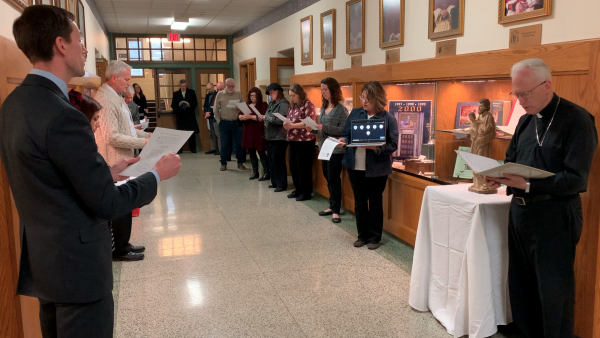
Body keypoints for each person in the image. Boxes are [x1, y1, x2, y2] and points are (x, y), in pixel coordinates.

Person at [1, 5, 182, 337]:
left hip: (46, 262)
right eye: (79, 39)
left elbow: (51, 177)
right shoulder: (63, 115)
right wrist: (156, 173)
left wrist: (109, 171)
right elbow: (107, 204)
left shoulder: (14, 104)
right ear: (60, 45)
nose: (85, 49)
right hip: (78, 269)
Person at [485, 58, 597, 337]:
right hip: (520, 214)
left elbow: (576, 178)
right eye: (516, 94)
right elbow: (511, 159)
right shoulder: (524, 121)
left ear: (547, 85)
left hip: (555, 215)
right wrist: (498, 174)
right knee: (521, 285)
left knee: (553, 291)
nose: (520, 101)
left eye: (524, 93)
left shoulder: (577, 119)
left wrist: (529, 184)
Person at [95, 60, 151, 262]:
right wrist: (144, 142)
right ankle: (119, 248)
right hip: (114, 160)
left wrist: (146, 135)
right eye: (126, 79)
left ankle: (124, 244)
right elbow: (112, 136)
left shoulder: (116, 97)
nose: (129, 83)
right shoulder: (105, 99)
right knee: (120, 204)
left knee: (126, 204)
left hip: (123, 159)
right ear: (113, 78)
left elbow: (127, 128)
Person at [338, 81, 398, 250]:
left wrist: (376, 148)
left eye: (368, 99)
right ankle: (361, 236)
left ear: (377, 99)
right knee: (359, 202)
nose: (364, 102)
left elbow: (393, 145)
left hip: (377, 170)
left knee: (375, 203)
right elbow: (346, 134)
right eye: (362, 97)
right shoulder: (355, 113)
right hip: (354, 166)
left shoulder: (388, 118)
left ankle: (374, 238)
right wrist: (343, 140)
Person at [307, 77, 348, 223]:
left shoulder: (341, 109)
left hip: (336, 150)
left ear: (333, 90)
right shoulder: (324, 107)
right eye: (321, 89)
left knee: (334, 179)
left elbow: (344, 130)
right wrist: (312, 129)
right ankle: (332, 205)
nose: (323, 92)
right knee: (328, 177)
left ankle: (336, 210)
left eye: (325, 89)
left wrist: (325, 128)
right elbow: (320, 128)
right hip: (324, 148)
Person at [284, 84, 316, 201]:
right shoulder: (292, 106)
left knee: (304, 168)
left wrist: (292, 125)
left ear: (300, 94)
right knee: (293, 167)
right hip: (292, 139)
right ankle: (297, 189)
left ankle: (305, 192)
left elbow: (309, 122)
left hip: (304, 141)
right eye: (290, 96)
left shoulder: (308, 105)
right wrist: (286, 123)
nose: (291, 98)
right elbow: (289, 118)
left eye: (293, 96)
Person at [214, 78, 246, 171]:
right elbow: (215, 109)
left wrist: (239, 107)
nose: (231, 88)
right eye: (230, 86)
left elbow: (244, 107)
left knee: (239, 144)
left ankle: (240, 163)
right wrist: (219, 121)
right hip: (224, 122)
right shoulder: (220, 95)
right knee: (224, 144)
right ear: (225, 85)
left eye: (233, 86)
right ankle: (223, 163)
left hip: (236, 122)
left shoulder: (238, 94)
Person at [264, 83, 290, 192]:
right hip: (270, 136)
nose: (270, 95)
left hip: (279, 137)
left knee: (278, 160)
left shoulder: (284, 104)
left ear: (277, 91)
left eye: (271, 93)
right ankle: (274, 182)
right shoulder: (272, 103)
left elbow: (282, 120)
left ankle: (281, 183)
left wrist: (268, 118)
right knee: (272, 160)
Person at [238, 87, 269, 180]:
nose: (253, 97)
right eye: (251, 96)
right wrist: (241, 117)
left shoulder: (263, 105)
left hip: (258, 132)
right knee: (251, 152)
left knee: (261, 152)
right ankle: (255, 171)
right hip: (248, 132)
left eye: (255, 96)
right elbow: (239, 114)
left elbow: (263, 118)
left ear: (258, 96)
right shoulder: (246, 105)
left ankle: (267, 172)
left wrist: (251, 117)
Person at [171, 79, 199, 153]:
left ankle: (193, 148)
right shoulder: (176, 94)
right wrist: (177, 110)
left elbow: (195, 103)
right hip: (181, 116)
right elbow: (173, 105)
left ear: (186, 85)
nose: (183, 87)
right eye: (181, 86)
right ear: (179, 86)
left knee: (192, 133)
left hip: (190, 115)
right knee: (180, 134)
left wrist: (189, 105)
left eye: (184, 86)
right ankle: (180, 149)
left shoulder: (192, 92)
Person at [204, 82, 219, 154]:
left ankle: (220, 149)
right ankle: (213, 148)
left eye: (209, 89)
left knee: (217, 133)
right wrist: (206, 112)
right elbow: (205, 105)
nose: (208, 90)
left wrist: (210, 113)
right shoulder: (207, 96)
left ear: (213, 87)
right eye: (207, 89)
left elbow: (215, 106)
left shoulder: (217, 95)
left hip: (215, 116)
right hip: (209, 117)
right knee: (211, 133)